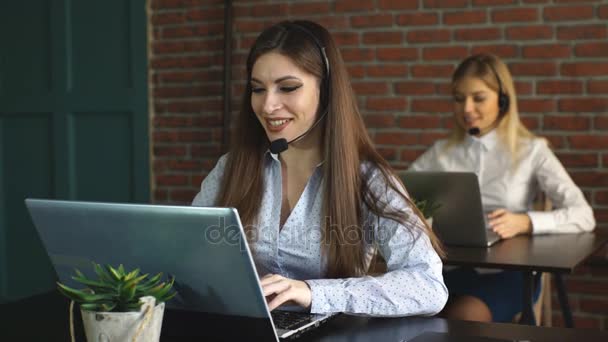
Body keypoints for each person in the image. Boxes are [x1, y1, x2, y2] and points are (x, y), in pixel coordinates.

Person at [192, 20, 447, 316]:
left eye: (287, 87)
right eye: (258, 89)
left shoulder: (368, 179)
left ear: (326, 92)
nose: (268, 105)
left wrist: (314, 293)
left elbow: (428, 284)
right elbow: (186, 257)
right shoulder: (230, 169)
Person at [409, 53, 596, 322]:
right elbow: (396, 193)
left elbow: (583, 215)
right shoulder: (442, 152)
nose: (467, 109)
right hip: (448, 270)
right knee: (406, 312)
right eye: (459, 99)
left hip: (509, 275)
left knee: (463, 316)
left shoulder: (532, 151)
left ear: (503, 99)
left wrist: (527, 222)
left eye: (479, 98)